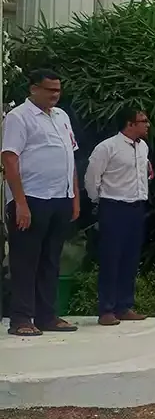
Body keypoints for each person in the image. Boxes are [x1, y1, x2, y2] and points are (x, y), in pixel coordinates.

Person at [1, 69, 80, 336]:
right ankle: (21, 318)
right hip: (32, 198)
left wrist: (74, 196)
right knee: (25, 261)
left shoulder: (61, 116)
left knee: (51, 260)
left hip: (60, 197)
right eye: (50, 90)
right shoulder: (19, 117)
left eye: (58, 90)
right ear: (34, 89)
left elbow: (69, 156)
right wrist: (20, 203)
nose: (55, 95)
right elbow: (9, 158)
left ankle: (47, 316)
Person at [84, 108, 152, 326]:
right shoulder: (107, 147)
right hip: (114, 206)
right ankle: (106, 309)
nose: (147, 125)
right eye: (143, 121)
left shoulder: (143, 147)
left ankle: (124, 306)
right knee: (111, 258)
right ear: (130, 124)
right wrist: (99, 200)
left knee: (130, 258)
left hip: (136, 206)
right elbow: (92, 177)